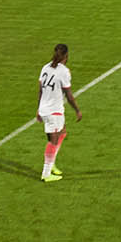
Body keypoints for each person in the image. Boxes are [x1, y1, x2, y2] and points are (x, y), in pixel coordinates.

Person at [37, 43, 82, 182]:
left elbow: (40, 90)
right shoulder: (64, 71)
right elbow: (68, 95)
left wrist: (39, 109)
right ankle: (46, 173)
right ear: (67, 56)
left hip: (45, 109)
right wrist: (77, 110)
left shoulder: (45, 67)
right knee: (53, 141)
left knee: (62, 133)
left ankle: (52, 164)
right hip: (53, 111)